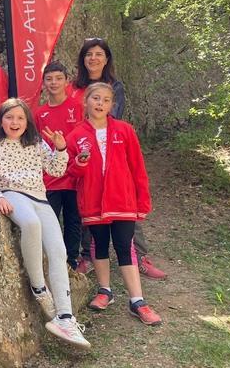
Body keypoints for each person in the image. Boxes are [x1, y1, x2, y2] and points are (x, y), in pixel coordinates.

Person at [0, 98, 90, 348]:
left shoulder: (36, 143)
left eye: (20, 118)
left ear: (27, 121)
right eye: (9, 117)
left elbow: (55, 170)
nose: (15, 122)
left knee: (58, 250)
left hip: (40, 197)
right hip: (11, 193)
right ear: (1, 120)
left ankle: (65, 316)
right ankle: (39, 289)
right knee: (30, 224)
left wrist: (61, 149)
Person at [66, 83, 162, 326]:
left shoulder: (125, 130)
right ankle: (105, 290)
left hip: (123, 200)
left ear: (112, 104)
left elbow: (138, 168)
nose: (100, 103)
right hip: (93, 200)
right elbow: (71, 171)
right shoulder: (75, 135)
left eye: (106, 100)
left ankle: (137, 300)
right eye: (96, 98)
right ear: (86, 101)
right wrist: (79, 162)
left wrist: (142, 201)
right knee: (98, 245)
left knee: (124, 244)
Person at [69, 38, 165, 280]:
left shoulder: (115, 86)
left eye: (99, 54)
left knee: (125, 209)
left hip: (110, 151)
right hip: (82, 148)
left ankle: (140, 256)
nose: (93, 58)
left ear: (107, 58)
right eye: (89, 54)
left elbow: (113, 116)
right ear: (83, 58)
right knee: (88, 206)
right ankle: (90, 256)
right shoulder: (74, 86)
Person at [34, 62, 84, 270]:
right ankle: (53, 260)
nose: (54, 83)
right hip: (50, 178)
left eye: (58, 78)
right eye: (49, 79)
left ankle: (72, 260)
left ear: (66, 81)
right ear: (44, 83)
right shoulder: (39, 113)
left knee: (74, 220)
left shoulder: (78, 107)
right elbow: (36, 145)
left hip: (74, 175)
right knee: (51, 221)